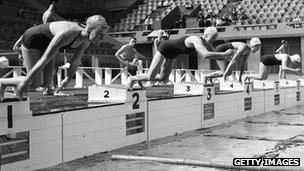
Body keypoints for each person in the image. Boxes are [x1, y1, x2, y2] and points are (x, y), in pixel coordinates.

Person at [14, 15, 110, 99]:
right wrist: (25, 83)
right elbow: (44, 60)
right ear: (91, 30)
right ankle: (3, 82)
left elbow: (75, 61)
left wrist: (68, 78)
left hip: (46, 42)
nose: (102, 38)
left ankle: (31, 83)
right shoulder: (68, 34)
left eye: (104, 35)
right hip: (33, 39)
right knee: (33, 84)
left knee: (46, 84)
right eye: (100, 34)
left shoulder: (86, 40)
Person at [126, 26, 234, 90]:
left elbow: (214, 55)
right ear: (205, 35)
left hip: (173, 54)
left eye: (216, 38)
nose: (214, 40)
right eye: (213, 37)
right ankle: (132, 78)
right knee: (150, 76)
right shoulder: (196, 39)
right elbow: (205, 55)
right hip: (165, 48)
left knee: (164, 79)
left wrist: (228, 59)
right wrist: (224, 54)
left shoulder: (207, 43)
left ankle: (139, 78)